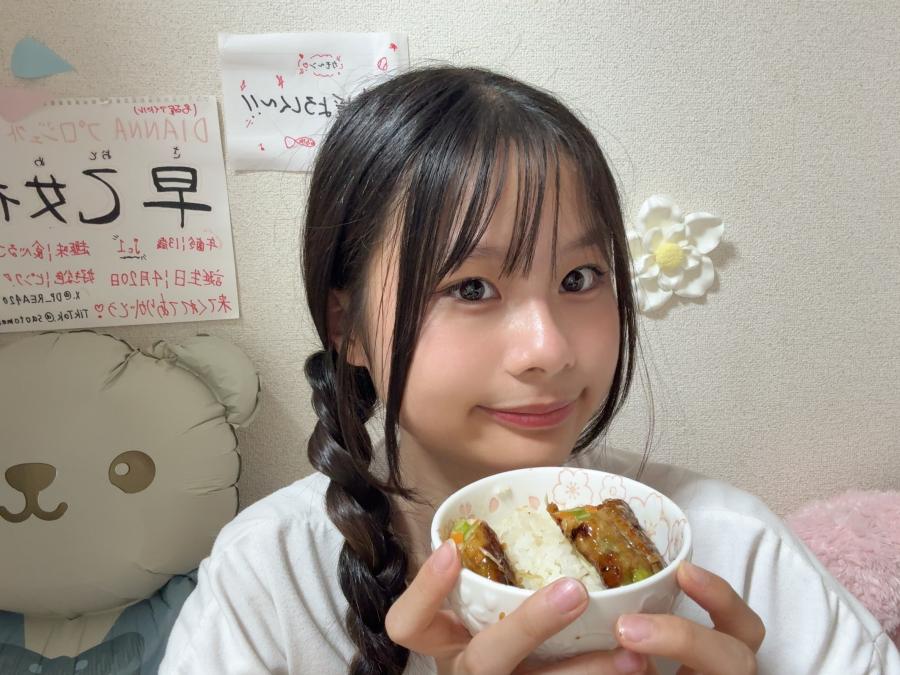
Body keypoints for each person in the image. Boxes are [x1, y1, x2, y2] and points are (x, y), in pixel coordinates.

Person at [159, 66, 900, 675]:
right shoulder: (272, 577)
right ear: (346, 325)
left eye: (580, 278)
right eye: (470, 288)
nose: (549, 348)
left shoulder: (733, 547)